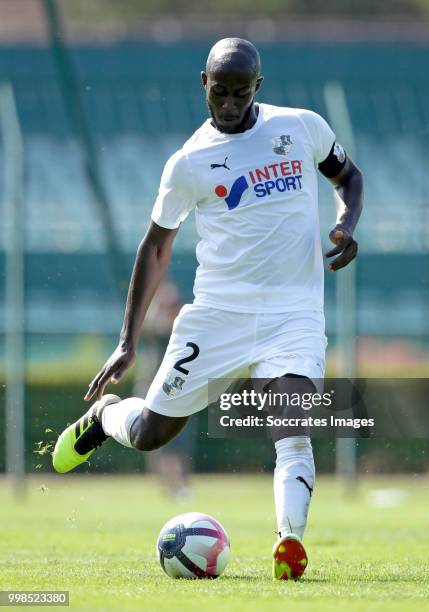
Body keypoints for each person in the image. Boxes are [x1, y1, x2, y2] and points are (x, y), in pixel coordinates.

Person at [53, 37, 363, 580]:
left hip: (294, 315)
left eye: (241, 94)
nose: (229, 104)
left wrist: (346, 223)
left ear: (257, 88)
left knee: (291, 425)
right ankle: (106, 416)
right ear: (204, 83)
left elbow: (348, 178)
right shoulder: (189, 162)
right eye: (220, 92)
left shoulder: (301, 127)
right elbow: (155, 246)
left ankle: (289, 543)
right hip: (219, 316)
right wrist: (127, 341)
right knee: (152, 434)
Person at [134, 282, 195, 500]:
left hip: (177, 390)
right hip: (154, 391)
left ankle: (179, 484)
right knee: (161, 443)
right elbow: (152, 324)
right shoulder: (156, 327)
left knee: (178, 441)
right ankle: (171, 485)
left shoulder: (181, 330)